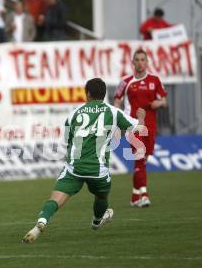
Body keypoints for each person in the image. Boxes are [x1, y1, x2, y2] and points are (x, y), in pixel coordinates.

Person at [23, 78, 146, 243]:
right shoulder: (113, 112)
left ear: (87, 93)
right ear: (104, 94)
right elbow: (139, 129)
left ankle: (41, 222)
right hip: (98, 170)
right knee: (101, 197)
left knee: (55, 199)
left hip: (75, 167)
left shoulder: (75, 113)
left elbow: (67, 140)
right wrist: (141, 117)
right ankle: (96, 221)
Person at [114, 49, 167, 207]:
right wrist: (119, 121)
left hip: (150, 125)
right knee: (139, 157)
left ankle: (134, 196)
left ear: (147, 62)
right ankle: (144, 194)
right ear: (132, 62)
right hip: (133, 125)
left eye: (143, 59)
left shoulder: (155, 80)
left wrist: (159, 103)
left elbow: (163, 100)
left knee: (142, 161)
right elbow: (117, 101)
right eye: (137, 59)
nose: (140, 62)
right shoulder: (125, 81)